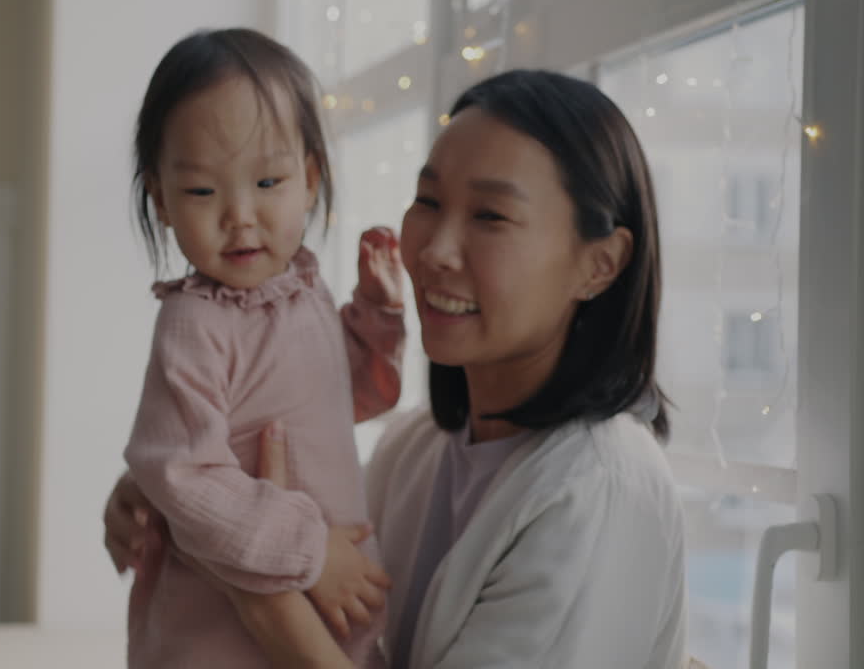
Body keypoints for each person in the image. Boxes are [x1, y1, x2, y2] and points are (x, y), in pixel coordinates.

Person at [106, 68, 689, 668]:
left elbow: (271, 556)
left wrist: (261, 595)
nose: (434, 249)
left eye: (490, 216)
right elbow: (275, 465)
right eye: (429, 202)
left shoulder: (600, 489)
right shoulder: (415, 448)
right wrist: (159, 484)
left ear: (600, 264)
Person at [118, 27, 407, 669]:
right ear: (160, 199)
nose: (239, 214)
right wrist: (311, 552)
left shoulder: (304, 290)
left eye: (269, 182)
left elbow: (343, 397)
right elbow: (183, 476)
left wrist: (375, 317)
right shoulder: (194, 322)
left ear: (309, 179)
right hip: (219, 637)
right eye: (201, 191)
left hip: (327, 627)